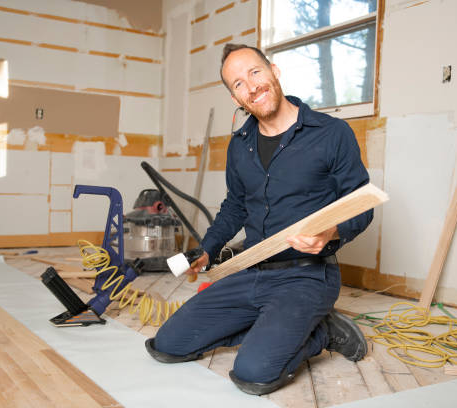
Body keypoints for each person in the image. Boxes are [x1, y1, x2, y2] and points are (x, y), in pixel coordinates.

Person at [145, 43, 373, 395]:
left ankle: (323, 332)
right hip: (252, 271)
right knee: (167, 345)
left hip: (307, 275)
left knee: (253, 373)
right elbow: (235, 206)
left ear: (274, 71)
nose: (250, 86)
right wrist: (207, 249)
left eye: (254, 72)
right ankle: (272, 326)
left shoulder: (331, 134)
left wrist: (330, 232)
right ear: (236, 99)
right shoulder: (240, 145)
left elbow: (361, 205)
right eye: (238, 84)